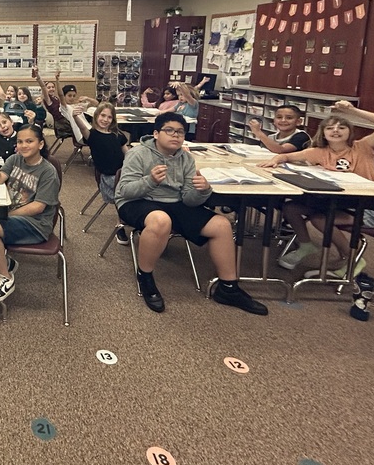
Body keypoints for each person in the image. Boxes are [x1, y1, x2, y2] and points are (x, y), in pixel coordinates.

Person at [115, 112, 268, 316]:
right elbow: (125, 191)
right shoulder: (138, 153)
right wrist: (150, 181)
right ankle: (145, 277)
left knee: (221, 225)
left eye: (180, 132)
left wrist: (203, 191)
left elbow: (188, 199)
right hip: (136, 201)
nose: (175, 135)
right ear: (156, 134)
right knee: (161, 220)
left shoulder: (186, 158)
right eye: (169, 130)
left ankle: (228, 288)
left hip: (174, 202)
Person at [260, 101, 374, 278]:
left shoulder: (363, 147)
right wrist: (276, 160)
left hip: (368, 208)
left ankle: (354, 259)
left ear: (350, 132)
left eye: (342, 127)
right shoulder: (319, 151)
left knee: (320, 219)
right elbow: (285, 156)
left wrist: (353, 111)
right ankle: (306, 245)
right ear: (323, 133)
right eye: (330, 128)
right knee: (291, 207)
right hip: (339, 203)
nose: (335, 131)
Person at [0, 125, 60, 302]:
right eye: (20, 141)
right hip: (13, 217)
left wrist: (7, 215)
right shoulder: (15, 159)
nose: (24, 145)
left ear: (40, 144)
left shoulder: (48, 172)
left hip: (36, 224)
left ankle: (5, 277)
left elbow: (38, 207)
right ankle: (7, 262)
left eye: (29, 141)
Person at [74, 101, 129, 224]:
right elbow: (82, 127)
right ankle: (121, 222)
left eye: (109, 117)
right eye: (103, 115)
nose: (105, 119)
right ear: (96, 115)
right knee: (126, 193)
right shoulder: (92, 134)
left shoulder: (117, 134)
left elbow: (128, 154)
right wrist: (75, 116)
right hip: (108, 177)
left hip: (123, 174)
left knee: (142, 187)